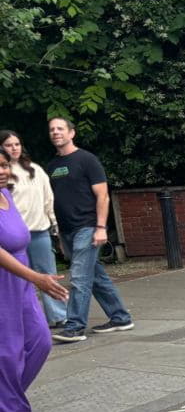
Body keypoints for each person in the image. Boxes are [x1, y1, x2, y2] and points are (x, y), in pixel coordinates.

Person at [0, 149, 69, 412]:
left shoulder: (6, 195)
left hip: (21, 281)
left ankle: (5, 407)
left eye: (4, 165)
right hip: (5, 282)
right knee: (7, 353)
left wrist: (33, 277)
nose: (2, 171)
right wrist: (36, 277)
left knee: (40, 341)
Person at [45, 117, 134, 343]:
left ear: (71, 133)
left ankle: (75, 327)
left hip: (88, 226)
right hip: (67, 230)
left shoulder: (87, 160)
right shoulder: (52, 166)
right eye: (52, 130)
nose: (56, 132)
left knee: (79, 278)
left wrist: (101, 227)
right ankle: (120, 317)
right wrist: (59, 234)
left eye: (60, 129)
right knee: (95, 277)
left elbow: (102, 195)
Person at [1, 132, 66, 328]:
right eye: (9, 145)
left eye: (17, 144)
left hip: (38, 231)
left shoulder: (36, 170)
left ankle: (58, 316)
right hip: (10, 238)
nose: (14, 148)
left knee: (47, 273)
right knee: (17, 279)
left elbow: (48, 199)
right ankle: (21, 320)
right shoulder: (4, 176)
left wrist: (55, 227)